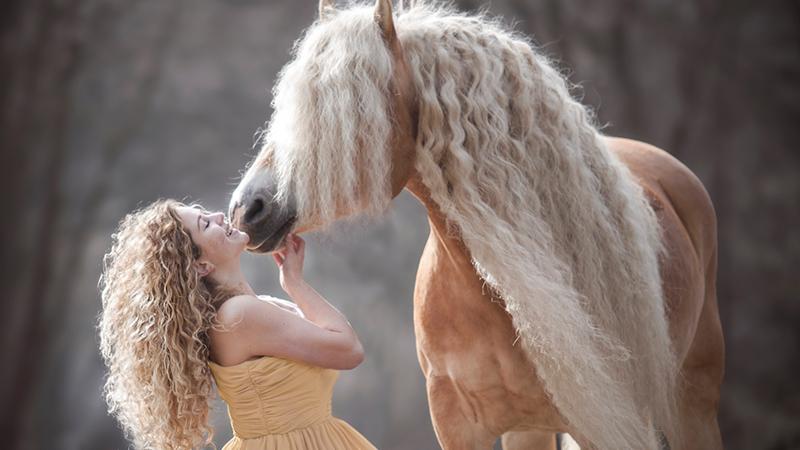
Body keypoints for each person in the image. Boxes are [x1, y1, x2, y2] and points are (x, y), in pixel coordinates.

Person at [98, 199, 375, 450]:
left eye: (206, 213)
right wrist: (296, 285)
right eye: (205, 224)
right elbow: (349, 350)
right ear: (201, 265)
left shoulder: (251, 307)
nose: (219, 215)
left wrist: (291, 283)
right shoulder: (240, 315)